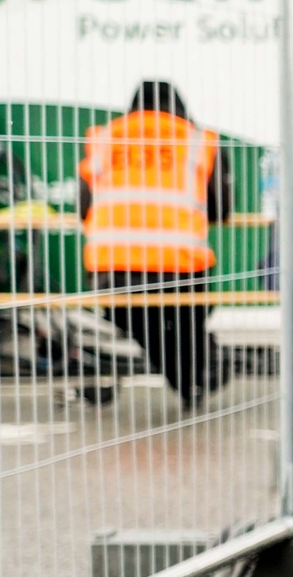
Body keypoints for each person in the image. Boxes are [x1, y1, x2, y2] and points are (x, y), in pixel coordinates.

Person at [80, 81, 229, 406]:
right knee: (188, 317)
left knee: (140, 320)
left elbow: (84, 207)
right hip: (180, 266)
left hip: (112, 269)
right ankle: (196, 374)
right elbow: (220, 210)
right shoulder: (198, 140)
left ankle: (192, 378)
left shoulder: (106, 138)